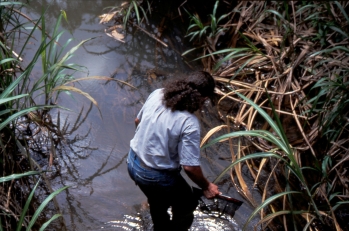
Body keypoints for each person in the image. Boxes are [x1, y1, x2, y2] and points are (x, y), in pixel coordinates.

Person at [127, 71, 221, 231]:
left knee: (157, 203)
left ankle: (158, 217)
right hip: (155, 177)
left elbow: (138, 121)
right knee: (187, 203)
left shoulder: (158, 94)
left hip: (132, 163)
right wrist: (207, 186)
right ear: (203, 99)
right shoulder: (189, 122)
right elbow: (190, 167)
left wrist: (152, 145)